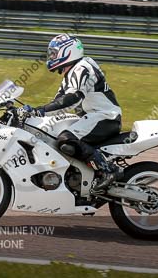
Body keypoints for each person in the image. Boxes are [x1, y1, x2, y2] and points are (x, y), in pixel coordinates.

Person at [22, 34, 122, 191]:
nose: (51, 57)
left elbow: (73, 99)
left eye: (54, 53)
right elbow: (59, 103)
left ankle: (107, 171)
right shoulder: (71, 73)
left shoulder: (82, 68)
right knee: (51, 133)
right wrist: (33, 113)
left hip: (105, 117)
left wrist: (40, 110)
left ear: (67, 51)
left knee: (66, 139)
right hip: (92, 117)